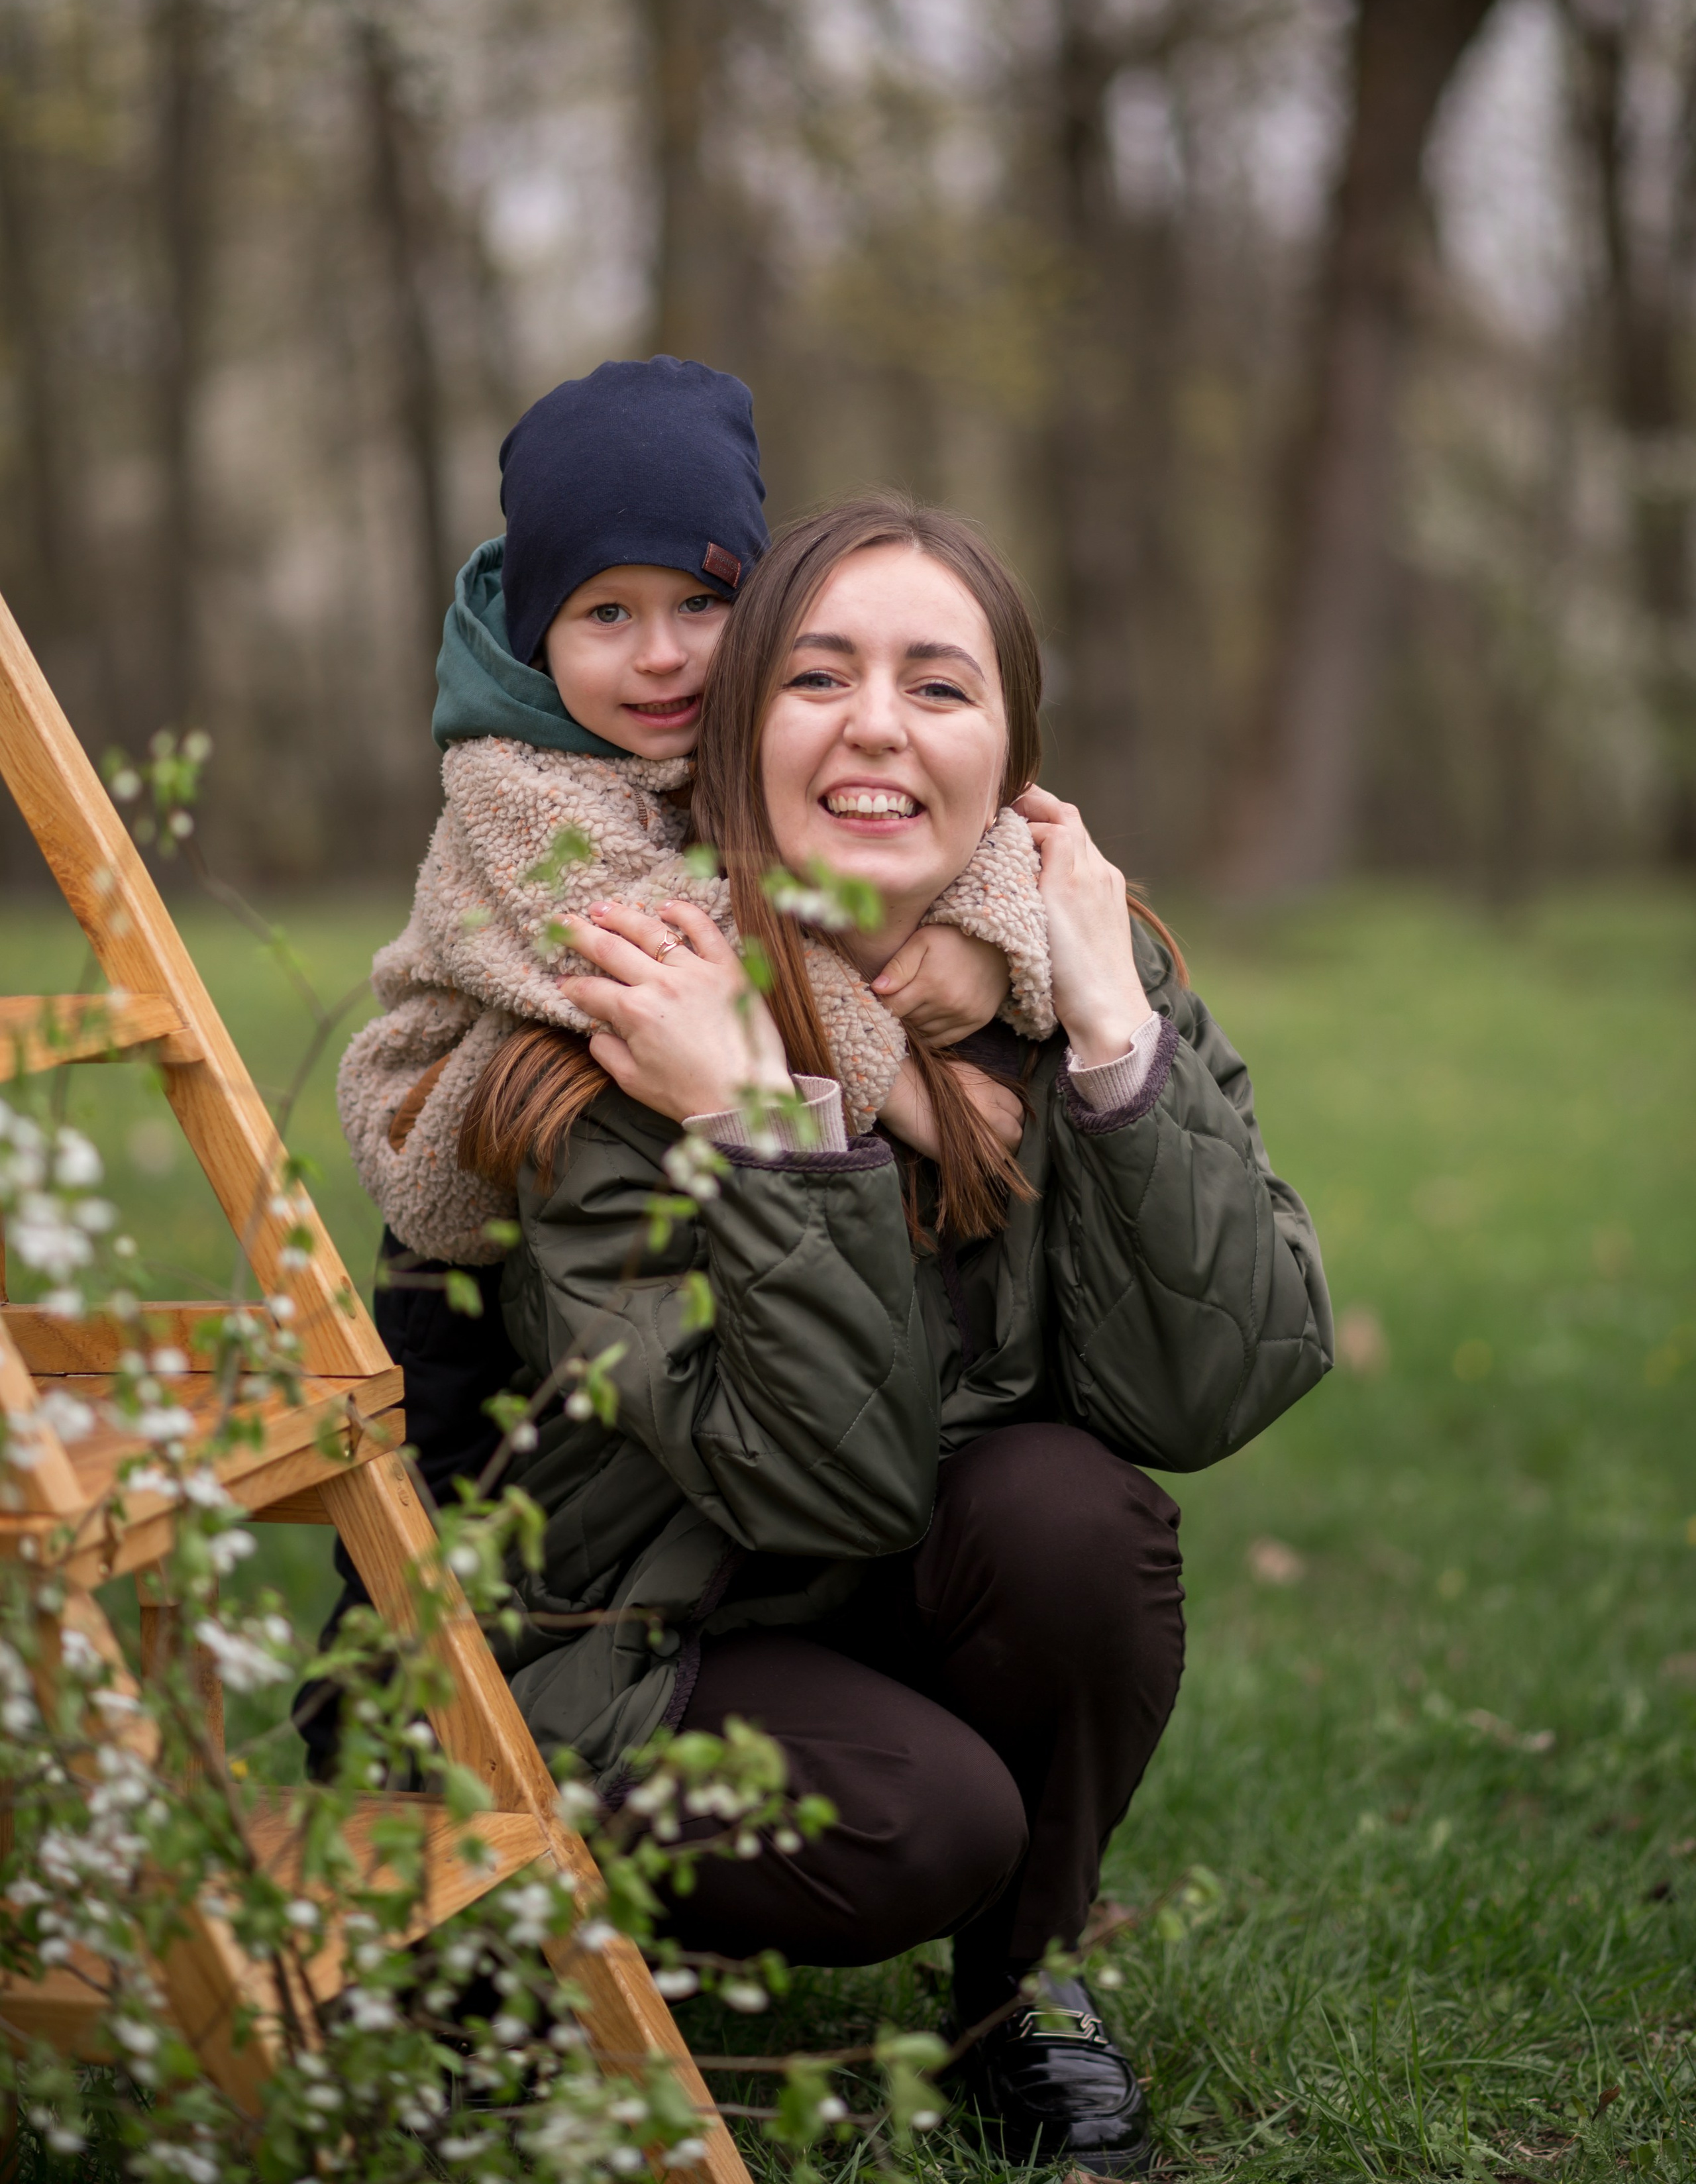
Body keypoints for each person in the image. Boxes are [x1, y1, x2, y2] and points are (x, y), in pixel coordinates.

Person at [465, 496, 1334, 2176]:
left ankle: (1020, 2002)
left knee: (1072, 1517)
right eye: (816, 677)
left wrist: (1109, 1029)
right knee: (923, 1819)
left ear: (1011, 762)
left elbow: (1218, 1380)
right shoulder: (616, 1017)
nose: (876, 724)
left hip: (874, 1594)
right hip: (631, 1642)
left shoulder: (1074, 980)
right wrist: (767, 1132)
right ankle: (517, 1919)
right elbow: (826, 1488)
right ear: (732, 738)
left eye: (938, 685)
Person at [301, 362, 1053, 1775]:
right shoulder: (515, 781)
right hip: (458, 1178)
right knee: (433, 1488)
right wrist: (907, 1086)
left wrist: (983, 937)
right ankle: (376, 1740)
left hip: (619, 1155)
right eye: (607, 615)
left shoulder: (769, 723)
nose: (661, 656)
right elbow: (683, 952)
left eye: (700, 605)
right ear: (541, 632)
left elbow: (976, 816)